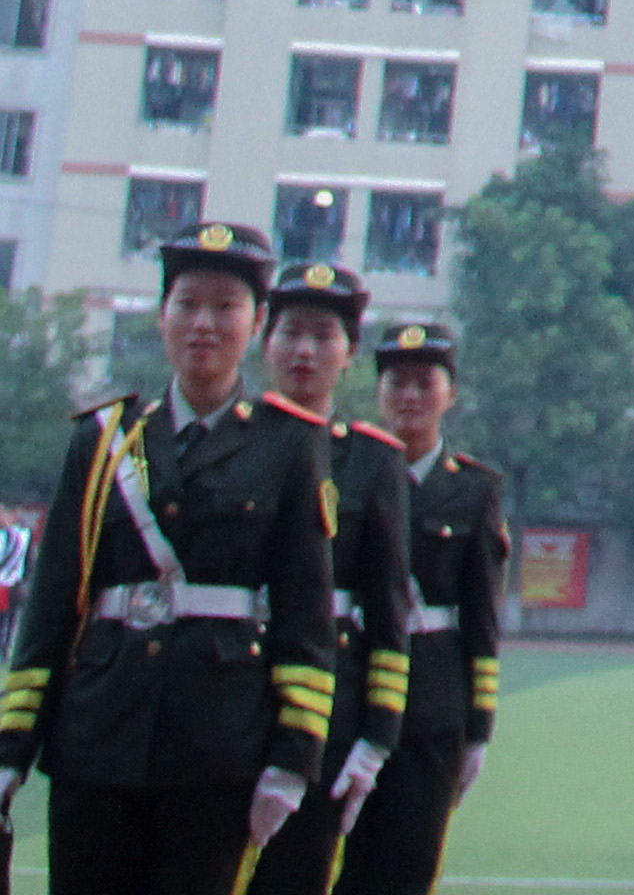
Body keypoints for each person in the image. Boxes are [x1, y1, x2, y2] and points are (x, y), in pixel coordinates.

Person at [0, 216, 338, 895]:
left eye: (225, 306)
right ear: (162, 316)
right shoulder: (103, 440)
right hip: (98, 737)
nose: (203, 324)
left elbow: (306, 618)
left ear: (257, 323)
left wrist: (291, 760)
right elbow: (53, 602)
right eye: (187, 304)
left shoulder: (289, 446)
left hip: (218, 746)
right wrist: (12, 747)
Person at [247, 261, 416, 895]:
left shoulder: (372, 460)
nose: (305, 351)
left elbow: (390, 611)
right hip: (226, 692)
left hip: (327, 712)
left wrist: (376, 738)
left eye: (324, 336)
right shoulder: (228, 442)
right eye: (291, 332)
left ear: (349, 353)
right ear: (266, 339)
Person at [339, 318, 508, 895]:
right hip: (353, 687)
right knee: (340, 866)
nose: (409, 396)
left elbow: (482, 618)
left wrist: (478, 727)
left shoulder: (475, 490)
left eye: (424, 383)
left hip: (432, 703)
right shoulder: (346, 472)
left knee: (409, 864)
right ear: (378, 391)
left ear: (450, 393)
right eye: (397, 382)